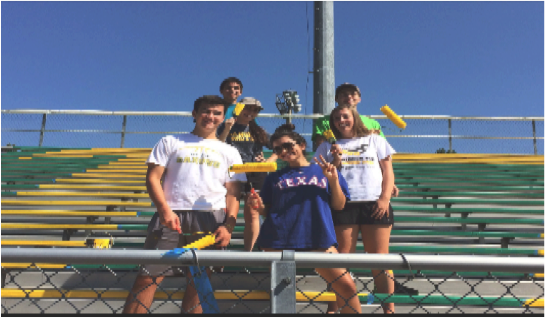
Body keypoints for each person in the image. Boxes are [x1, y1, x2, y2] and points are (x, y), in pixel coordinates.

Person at [123, 95, 246, 314]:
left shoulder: (230, 151)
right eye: (205, 111)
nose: (211, 116)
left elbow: (234, 192)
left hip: (211, 217)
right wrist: (164, 210)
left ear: (223, 118)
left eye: (217, 113)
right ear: (195, 114)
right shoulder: (171, 141)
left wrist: (229, 226)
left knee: (198, 284)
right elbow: (153, 178)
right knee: (147, 279)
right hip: (171, 216)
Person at [247, 124, 362, 314]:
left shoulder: (325, 170)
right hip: (279, 240)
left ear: (301, 145)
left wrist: (333, 180)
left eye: (288, 145)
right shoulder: (274, 177)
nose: (284, 151)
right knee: (283, 295)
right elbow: (268, 210)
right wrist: (259, 207)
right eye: (277, 149)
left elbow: (339, 205)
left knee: (346, 287)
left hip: (317, 237)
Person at [315, 105, 396, 314]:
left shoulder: (375, 140)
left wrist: (384, 198)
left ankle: (389, 309)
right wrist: (337, 160)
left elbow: (388, 172)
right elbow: (324, 177)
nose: (341, 120)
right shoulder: (326, 147)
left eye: (345, 116)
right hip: (343, 204)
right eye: (337, 118)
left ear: (355, 118)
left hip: (374, 202)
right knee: (341, 261)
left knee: (380, 260)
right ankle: (334, 308)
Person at [313, 82, 399, 197]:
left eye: (353, 94)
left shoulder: (373, 123)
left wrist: (389, 183)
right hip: (340, 186)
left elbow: (383, 156)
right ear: (336, 99)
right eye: (344, 94)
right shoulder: (324, 121)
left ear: (359, 99)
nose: (349, 97)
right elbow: (321, 152)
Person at [217, 97, 277, 251]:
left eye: (255, 110)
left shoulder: (259, 131)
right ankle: (219, 254)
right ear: (239, 108)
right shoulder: (225, 126)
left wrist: (268, 160)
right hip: (232, 173)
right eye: (248, 108)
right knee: (228, 213)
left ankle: (250, 254)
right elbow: (216, 146)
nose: (251, 112)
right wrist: (226, 129)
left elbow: (279, 146)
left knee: (253, 212)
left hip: (255, 174)